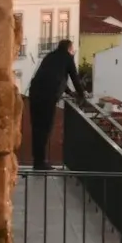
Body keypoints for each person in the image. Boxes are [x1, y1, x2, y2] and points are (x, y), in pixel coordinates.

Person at [27, 39, 82, 170]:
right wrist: (82, 95)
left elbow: (57, 76)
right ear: (69, 48)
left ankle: (37, 161)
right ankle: (40, 163)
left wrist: (69, 92)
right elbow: (74, 77)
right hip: (48, 96)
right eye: (72, 48)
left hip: (35, 93)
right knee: (45, 129)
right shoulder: (67, 58)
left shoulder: (50, 56)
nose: (73, 51)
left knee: (36, 128)